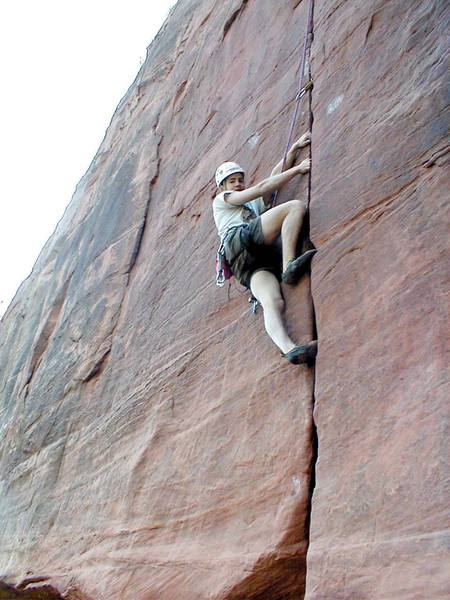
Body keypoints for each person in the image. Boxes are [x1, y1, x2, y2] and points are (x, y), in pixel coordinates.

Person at [212, 131, 318, 365]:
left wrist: (293, 151)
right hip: (240, 239)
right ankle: (289, 263)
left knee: (273, 302)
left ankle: (290, 349)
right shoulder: (223, 199)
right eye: (232, 181)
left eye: (240, 179)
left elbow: (271, 180)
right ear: (222, 187)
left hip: (246, 262)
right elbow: (262, 187)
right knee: (294, 208)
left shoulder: (250, 204)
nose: (238, 184)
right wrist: (298, 170)